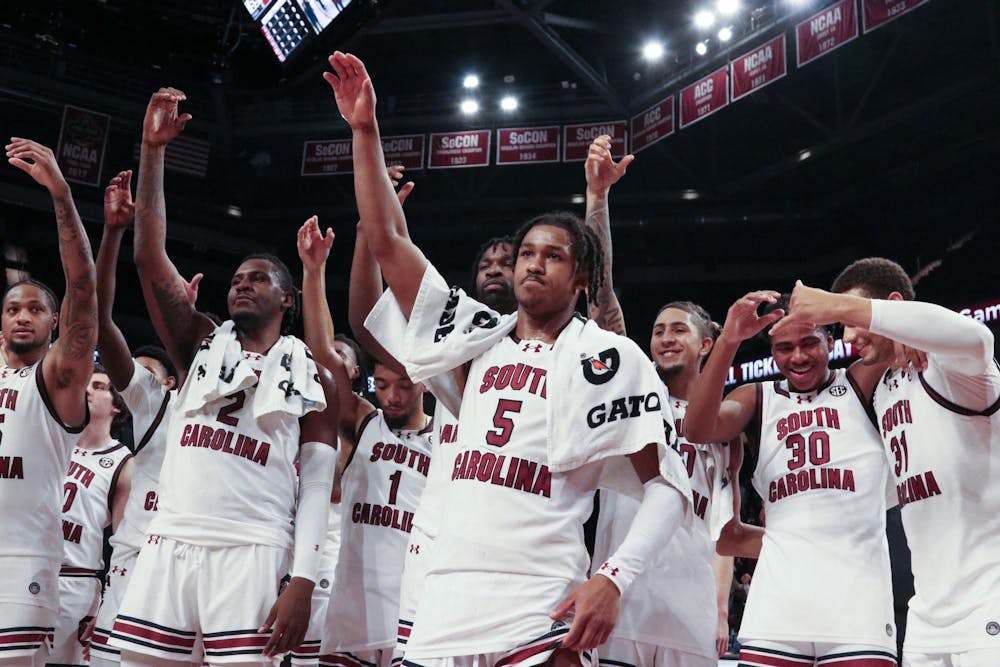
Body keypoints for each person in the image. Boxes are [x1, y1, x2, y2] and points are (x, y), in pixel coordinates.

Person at [326, 50, 692, 667]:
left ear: (582, 279)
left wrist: (615, 578)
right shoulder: (475, 338)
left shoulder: (609, 356)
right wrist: (365, 130)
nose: (532, 262)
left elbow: (668, 487)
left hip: (539, 600)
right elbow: (390, 242)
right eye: (526, 252)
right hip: (445, 592)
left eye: (552, 255)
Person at [108, 87, 339, 667]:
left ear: (287, 299)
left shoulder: (318, 376)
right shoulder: (198, 342)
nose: (242, 282)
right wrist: (153, 150)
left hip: (254, 550)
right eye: (237, 277)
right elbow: (148, 257)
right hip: (172, 538)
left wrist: (303, 581)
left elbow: (315, 487)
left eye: (258, 278)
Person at [582, 135, 759, 667]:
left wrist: (811, 540)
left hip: (692, 607)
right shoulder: (635, 390)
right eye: (657, 330)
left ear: (708, 343)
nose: (662, 338)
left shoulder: (727, 427)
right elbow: (600, 291)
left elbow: (725, 534)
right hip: (623, 600)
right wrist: (597, 200)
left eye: (677, 329)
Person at [775, 259, 1000, 667]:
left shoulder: (949, 367)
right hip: (926, 617)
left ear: (894, 305)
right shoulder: (883, 391)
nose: (847, 336)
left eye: (850, 317)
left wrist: (844, 307)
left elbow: (979, 339)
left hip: (989, 605)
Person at [346, 168, 522, 667]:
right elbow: (366, 321)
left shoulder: (557, 349)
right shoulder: (453, 347)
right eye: (486, 262)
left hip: (517, 544)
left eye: (506, 262)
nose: (493, 268)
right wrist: (366, 235)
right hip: (441, 542)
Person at [684, 291, 897, 667]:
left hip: (859, 603)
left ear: (831, 341)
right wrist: (729, 339)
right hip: (777, 605)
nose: (797, 357)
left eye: (810, 342)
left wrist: (910, 344)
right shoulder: (757, 397)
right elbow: (698, 429)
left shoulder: (860, 384)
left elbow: (910, 332)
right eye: (784, 348)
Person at [297, 216, 433, 667]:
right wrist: (315, 273)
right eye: (383, 385)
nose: (392, 396)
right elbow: (323, 355)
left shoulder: (449, 436)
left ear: (426, 386)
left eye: (404, 387)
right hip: (351, 606)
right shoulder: (364, 423)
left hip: (415, 604)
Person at [0, 137, 97, 666]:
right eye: (13, 307)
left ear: (54, 324)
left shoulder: (57, 379)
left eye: (36, 309)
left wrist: (62, 194)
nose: (23, 315)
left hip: (21, 562)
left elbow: (82, 287)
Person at [87, 170, 184, 667]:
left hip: (192, 571)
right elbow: (101, 322)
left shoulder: (240, 401)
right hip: (133, 564)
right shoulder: (156, 402)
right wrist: (112, 233)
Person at [50, 366, 133, 666]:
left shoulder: (124, 463)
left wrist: (108, 605)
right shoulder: (52, 437)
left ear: (116, 405)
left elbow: (124, 547)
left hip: (76, 586)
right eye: (85, 384)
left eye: (98, 386)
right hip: (28, 569)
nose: (87, 390)